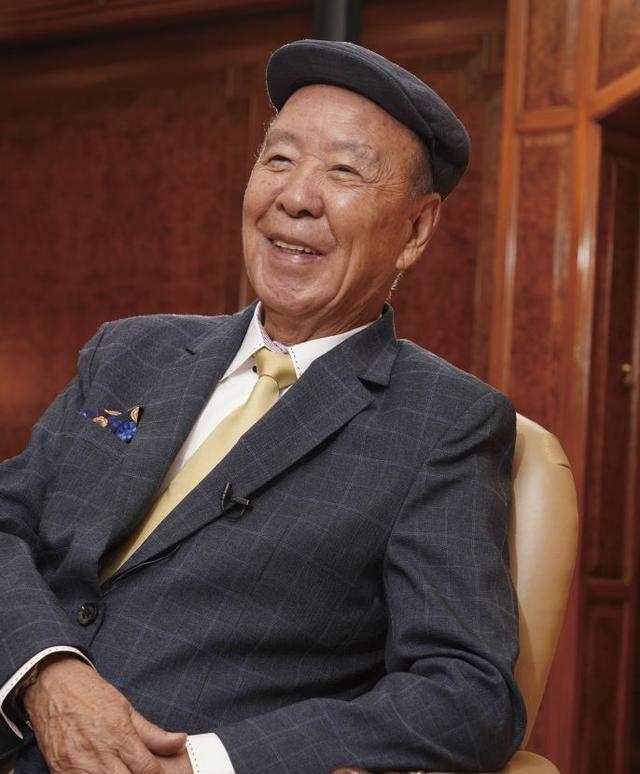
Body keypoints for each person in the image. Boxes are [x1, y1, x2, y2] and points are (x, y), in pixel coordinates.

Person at [0, 39, 526, 774]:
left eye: (343, 172)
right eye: (278, 159)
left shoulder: (445, 423)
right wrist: (46, 672)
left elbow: (468, 696)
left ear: (415, 230)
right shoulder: (130, 350)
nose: (296, 197)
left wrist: (206, 762)